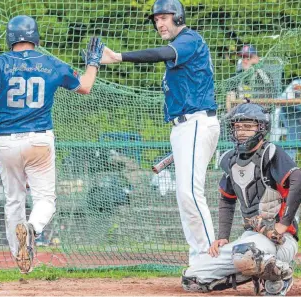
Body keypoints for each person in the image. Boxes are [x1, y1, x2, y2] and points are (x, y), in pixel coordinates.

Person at [0, 15, 103, 274]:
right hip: (39, 139)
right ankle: (33, 229)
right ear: (36, 37)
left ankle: (21, 260)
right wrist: (93, 64)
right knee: (46, 199)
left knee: (14, 200)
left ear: (10, 38)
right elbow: (85, 86)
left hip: (6, 141)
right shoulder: (51, 63)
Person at [99, 0, 220, 265]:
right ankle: (200, 259)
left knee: (190, 192)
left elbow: (161, 53)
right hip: (183, 127)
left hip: (197, 122)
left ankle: (214, 258)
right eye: (156, 20)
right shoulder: (181, 47)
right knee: (184, 196)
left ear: (178, 17)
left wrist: (119, 57)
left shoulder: (190, 40)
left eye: (164, 18)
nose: (159, 24)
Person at [181, 103, 301, 296]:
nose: (241, 132)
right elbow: (227, 199)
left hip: (280, 241)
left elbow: (299, 181)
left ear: (262, 128)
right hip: (249, 239)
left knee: (245, 253)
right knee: (192, 279)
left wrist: (283, 224)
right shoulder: (231, 160)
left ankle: (280, 277)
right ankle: (257, 270)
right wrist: (223, 236)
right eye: (238, 127)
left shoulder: (271, 153)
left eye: (248, 126)